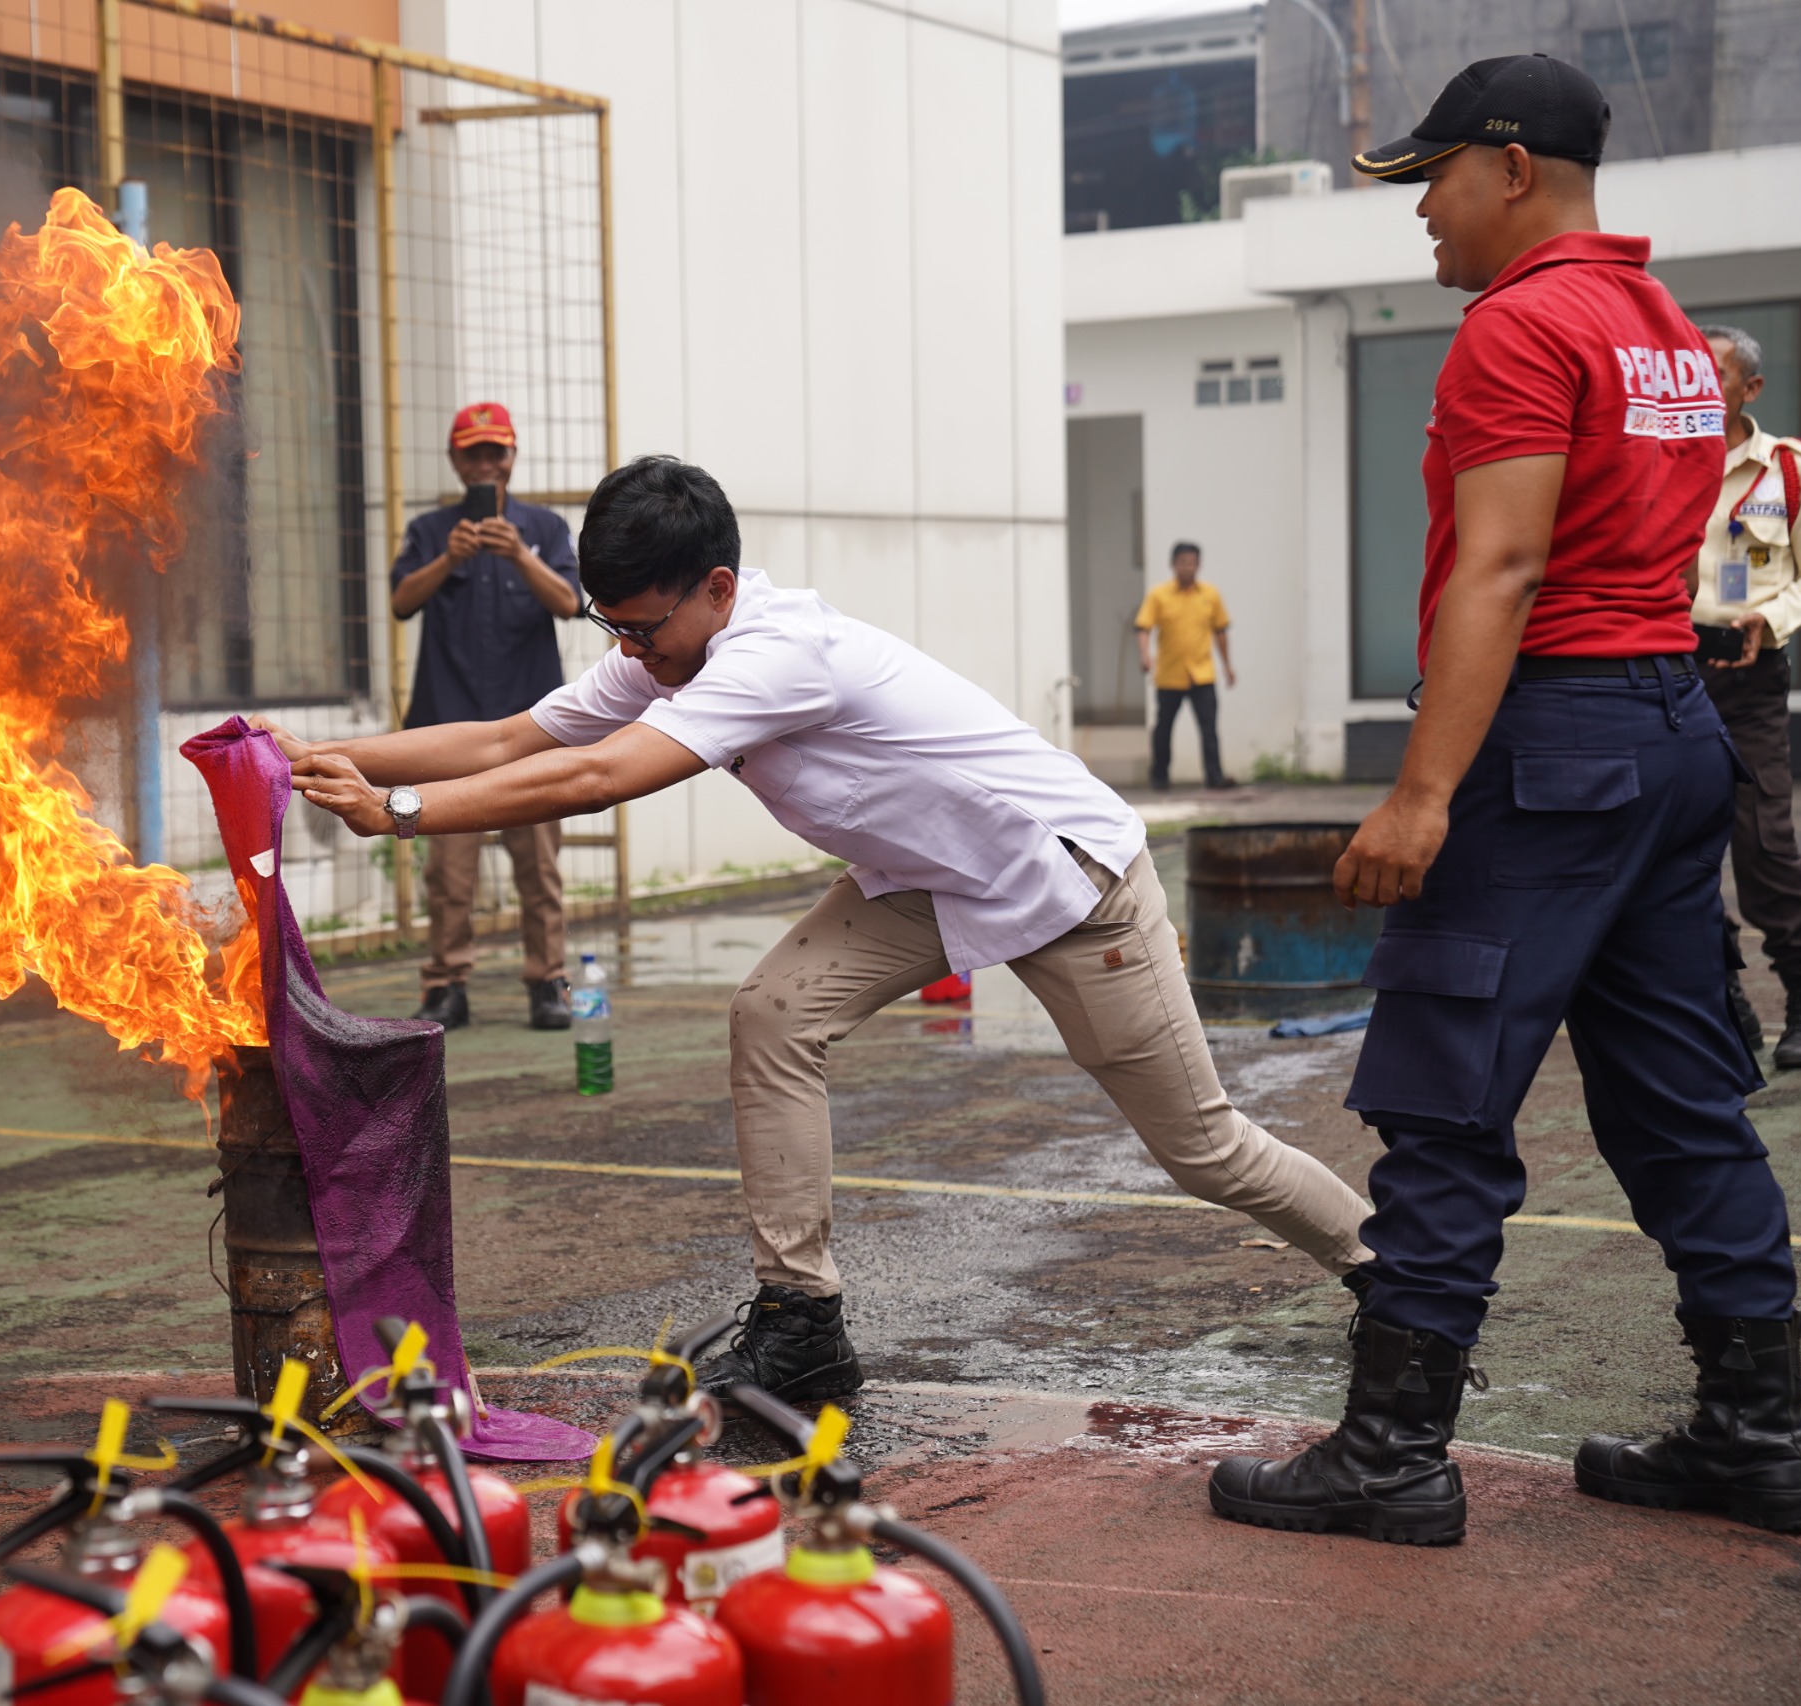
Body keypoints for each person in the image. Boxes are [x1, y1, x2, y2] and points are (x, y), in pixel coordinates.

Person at [270, 455, 1373, 1404]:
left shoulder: (774, 653)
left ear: (716, 587)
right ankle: (802, 1321)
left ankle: (1398, 1282)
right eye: (614, 627)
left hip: (1068, 879)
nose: (632, 652)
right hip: (926, 881)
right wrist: (315, 755)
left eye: (643, 628)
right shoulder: (668, 640)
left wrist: (397, 811)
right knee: (773, 1014)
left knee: (1203, 1148)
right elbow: (512, 739)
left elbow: (599, 777)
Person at [1207, 54, 1801, 1547]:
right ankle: (1758, 1434)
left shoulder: (1521, 325)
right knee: (1683, 1101)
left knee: (1444, 1096)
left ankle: (1392, 1454)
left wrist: (1423, 795)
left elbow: (1503, 562)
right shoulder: (1663, 327)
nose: (1425, 212)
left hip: (1549, 747)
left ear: (1513, 168)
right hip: (1667, 733)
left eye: (1437, 180)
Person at [392, 402, 582, 1032]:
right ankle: (446, 986)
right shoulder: (430, 531)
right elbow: (400, 602)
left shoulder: (545, 528)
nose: (485, 465)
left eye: (495, 451)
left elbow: (570, 603)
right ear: (454, 459)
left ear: (513, 455)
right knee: (448, 872)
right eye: (472, 453)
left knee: (540, 867)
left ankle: (548, 982)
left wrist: (520, 555)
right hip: (446, 732)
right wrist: (447, 560)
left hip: (533, 730)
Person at [1688, 324, 1801, 1068]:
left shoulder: (1789, 470)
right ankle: (1723, 999)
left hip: (1750, 677)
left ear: (1750, 388)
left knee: (1765, 847)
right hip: (1669, 674)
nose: (1701, 385)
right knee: (1676, 852)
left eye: (1717, 374)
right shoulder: (1661, 460)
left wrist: (1771, 619)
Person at [1134, 542, 1236, 790]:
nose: (1187, 567)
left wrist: (1227, 665)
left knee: (1209, 728)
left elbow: (1220, 631)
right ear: (1173, 565)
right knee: (1163, 729)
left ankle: (1214, 776)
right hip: (1170, 674)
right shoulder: (1159, 595)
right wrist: (1145, 655)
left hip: (1202, 673)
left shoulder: (1210, 594)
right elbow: (1143, 627)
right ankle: (1159, 776)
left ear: (1198, 565)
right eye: (1182, 562)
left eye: (1191, 563)